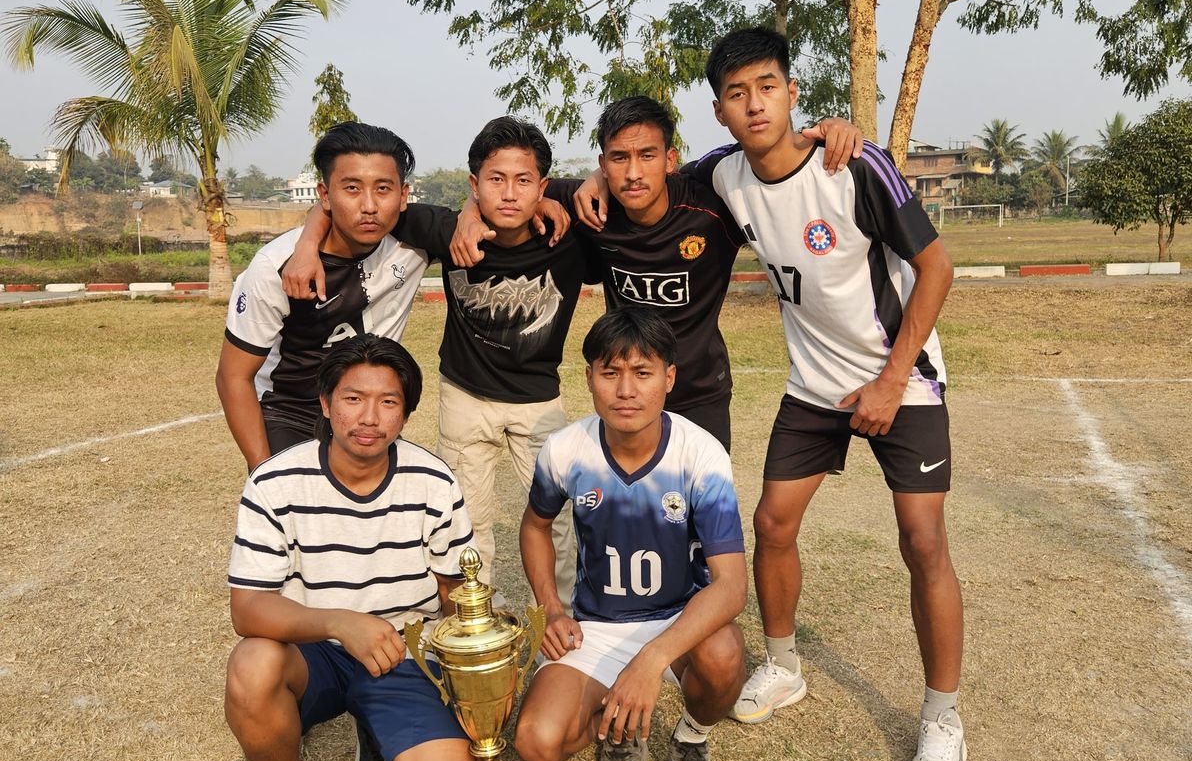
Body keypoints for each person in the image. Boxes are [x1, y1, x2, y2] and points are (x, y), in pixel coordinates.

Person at [688, 27, 967, 761]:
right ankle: (782, 667)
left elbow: (936, 267)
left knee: (922, 541)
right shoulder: (722, 177)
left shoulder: (854, 164)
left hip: (900, 382)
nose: (755, 104)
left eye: (767, 86)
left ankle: (942, 718)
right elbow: (641, 183)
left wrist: (890, 380)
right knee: (773, 525)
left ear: (792, 92)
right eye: (738, 93)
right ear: (720, 111)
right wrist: (582, 187)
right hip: (814, 387)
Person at [284, 116, 597, 603]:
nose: (509, 194)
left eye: (523, 181)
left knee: (559, 519)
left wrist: (559, 197)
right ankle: (476, 632)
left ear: (544, 186)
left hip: (539, 399)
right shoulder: (443, 228)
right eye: (494, 181)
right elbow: (356, 209)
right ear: (474, 184)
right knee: (468, 524)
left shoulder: (568, 230)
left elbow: (609, 182)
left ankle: (561, 623)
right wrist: (307, 245)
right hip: (465, 396)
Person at [454, 98, 864, 450]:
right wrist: (469, 216)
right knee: (629, 514)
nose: (633, 172)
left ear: (670, 160)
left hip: (701, 392)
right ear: (603, 164)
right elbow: (511, 191)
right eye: (619, 158)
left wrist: (830, 128)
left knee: (703, 521)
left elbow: (767, 162)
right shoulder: (590, 205)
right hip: (626, 392)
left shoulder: (713, 206)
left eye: (647, 156)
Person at [224, 334, 476, 761]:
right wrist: (342, 623)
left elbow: (454, 587)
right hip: (313, 649)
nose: (370, 417)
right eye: (353, 398)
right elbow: (249, 607)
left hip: (403, 651)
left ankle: (377, 728)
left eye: (388, 402)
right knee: (252, 664)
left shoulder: (433, 480)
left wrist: (478, 661)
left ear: (406, 411)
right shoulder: (274, 481)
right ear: (324, 403)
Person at [514, 308, 748, 761]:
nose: (626, 390)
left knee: (725, 650)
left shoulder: (700, 454)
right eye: (610, 372)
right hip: (595, 625)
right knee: (536, 743)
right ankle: (616, 719)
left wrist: (649, 661)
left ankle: (690, 736)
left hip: (677, 624)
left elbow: (731, 588)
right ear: (589, 378)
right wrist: (550, 608)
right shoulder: (565, 449)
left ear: (669, 377)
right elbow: (535, 527)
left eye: (642, 373)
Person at [216, 122, 426, 468]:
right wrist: (261, 470)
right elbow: (232, 376)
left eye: (383, 188)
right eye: (352, 188)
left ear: (403, 195)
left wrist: (549, 203)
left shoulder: (416, 244)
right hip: (289, 414)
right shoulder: (275, 266)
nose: (370, 205)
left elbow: (491, 209)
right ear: (325, 195)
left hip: (366, 415)